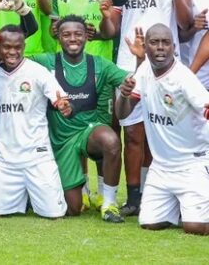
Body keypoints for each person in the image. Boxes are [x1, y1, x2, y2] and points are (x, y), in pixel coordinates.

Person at [99, 0, 193, 216]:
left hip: (165, 66)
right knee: (133, 134)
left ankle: (157, 195)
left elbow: (186, 23)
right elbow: (111, 30)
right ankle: (134, 199)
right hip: (129, 64)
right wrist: (105, 15)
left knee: (161, 133)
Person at [31, 15, 145, 222]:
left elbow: (132, 81)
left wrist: (140, 60)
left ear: (86, 37)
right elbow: (15, 63)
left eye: (78, 34)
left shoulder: (100, 64)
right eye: (66, 35)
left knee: (110, 140)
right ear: (58, 37)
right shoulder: (45, 62)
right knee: (72, 208)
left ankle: (109, 204)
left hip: (88, 132)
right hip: (61, 141)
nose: (73, 39)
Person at [116, 23, 209, 235]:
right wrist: (124, 95)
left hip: (193, 163)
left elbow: (205, 106)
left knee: (195, 227)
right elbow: (122, 113)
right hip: (161, 167)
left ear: (174, 48)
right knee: (150, 223)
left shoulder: (184, 78)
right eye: (154, 42)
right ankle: (183, 204)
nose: (160, 47)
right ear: (146, 47)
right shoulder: (144, 71)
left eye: (165, 43)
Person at [0, 25, 71, 218]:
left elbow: (60, 99)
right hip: (5, 160)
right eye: (7, 47)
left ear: (24, 47)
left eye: (18, 47)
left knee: (54, 214)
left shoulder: (38, 72)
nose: (12, 52)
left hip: (37, 156)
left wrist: (64, 105)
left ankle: (33, 195)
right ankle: (24, 196)